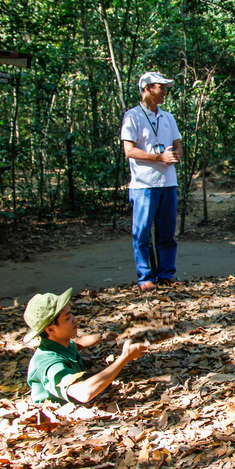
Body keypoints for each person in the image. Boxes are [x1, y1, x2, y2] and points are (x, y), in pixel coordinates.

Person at [24, 288, 146, 404]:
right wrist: (124, 358)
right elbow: (84, 393)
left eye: (71, 314)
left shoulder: (57, 344)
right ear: (51, 329)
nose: (74, 319)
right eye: (67, 318)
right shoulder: (51, 365)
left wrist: (102, 337)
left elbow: (77, 343)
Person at [121, 72, 183, 292]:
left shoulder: (168, 117)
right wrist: (159, 157)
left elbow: (178, 146)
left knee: (167, 232)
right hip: (144, 184)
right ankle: (145, 276)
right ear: (147, 88)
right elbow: (129, 150)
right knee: (143, 232)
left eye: (166, 87)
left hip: (168, 182)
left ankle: (166, 273)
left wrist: (174, 154)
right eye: (161, 87)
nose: (165, 92)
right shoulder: (133, 116)